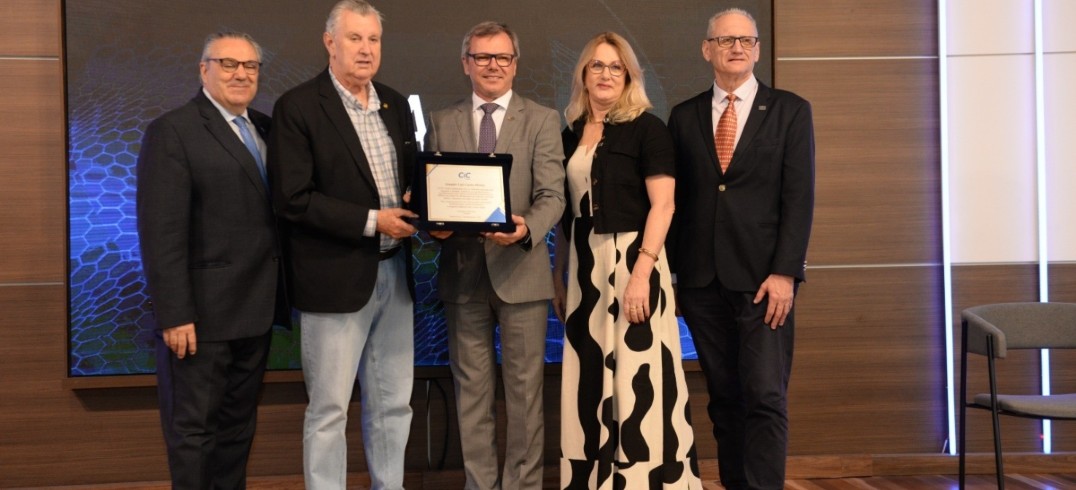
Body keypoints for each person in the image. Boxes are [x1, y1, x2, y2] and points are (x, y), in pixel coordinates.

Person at [267, 1, 418, 488]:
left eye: (374, 39)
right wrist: (374, 221)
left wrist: (423, 202)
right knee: (329, 409)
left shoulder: (394, 103)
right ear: (330, 42)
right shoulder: (298, 107)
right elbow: (292, 199)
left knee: (394, 404)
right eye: (355, 38)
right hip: (333, 280)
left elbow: (409, 179)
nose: (366, 49)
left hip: (395, 276)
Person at [667, 8, 815, 490]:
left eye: (746, 40)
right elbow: (676, 201)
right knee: (725, 397)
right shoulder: (683, 116)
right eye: (726, 40)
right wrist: (673, 274)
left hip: (764, 281)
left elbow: (799, 198)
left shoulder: (790, 111)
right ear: (706, 49)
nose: (736, 48)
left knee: (765, 396)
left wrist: (786, 272)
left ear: (757, 49)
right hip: (701, 280)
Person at [136, 31, 288, 489]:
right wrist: (174, 313)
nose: (241, 74)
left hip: (255, 312)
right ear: (204, 69)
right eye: (228, 64)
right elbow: (161, 232)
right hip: (199, 320)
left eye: (250, 66)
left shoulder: (267, 128)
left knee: (237, 431)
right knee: (193, 433)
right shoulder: (173, 131)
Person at [552, 32, 701, 489]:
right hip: (584, 272)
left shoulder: (648, 128)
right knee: (589, 379)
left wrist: (642, 274)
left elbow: (664, 206)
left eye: (615, 67)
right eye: (597, 65)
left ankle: (645, 480)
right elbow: (565, 212)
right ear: (583, 74)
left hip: (636, 264)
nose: (606, 74)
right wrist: (558, 275)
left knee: (640, 379)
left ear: (630, 76)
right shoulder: (570, 133)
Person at [425, 21, 566, 490]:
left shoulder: (542, 119)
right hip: (462, 275)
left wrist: (527, 229)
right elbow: (433, 195)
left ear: (515, 64)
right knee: (472, 394)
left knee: (525, 396)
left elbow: (553, 196)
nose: (493, 66)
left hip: (521, 272)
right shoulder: (441, 121)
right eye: (482, 57)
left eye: (502, 57)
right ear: (466, 64)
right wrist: (434, 226)